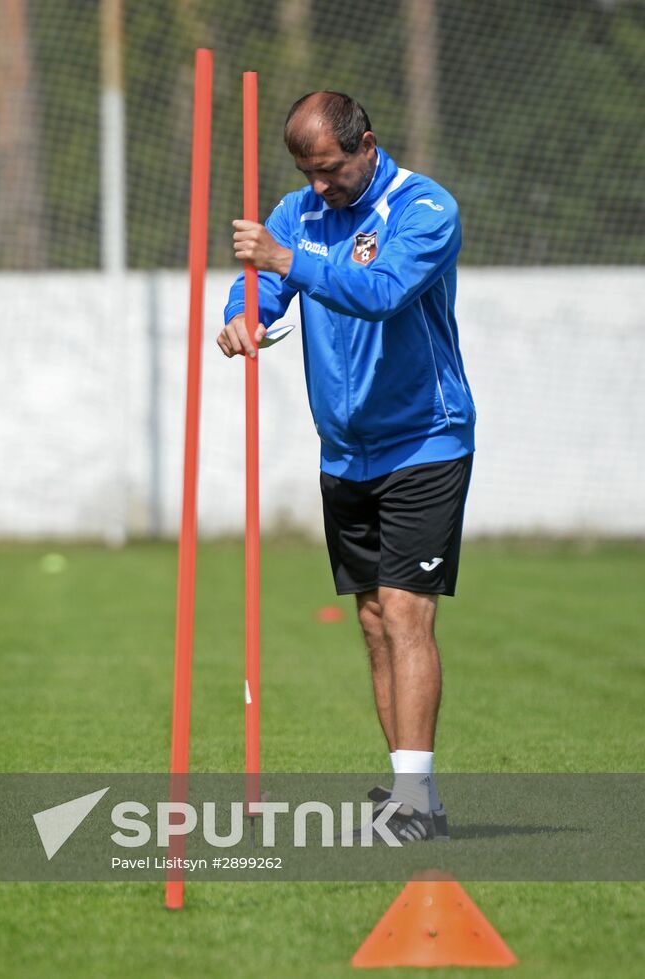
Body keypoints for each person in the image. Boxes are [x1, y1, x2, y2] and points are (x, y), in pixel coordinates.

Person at [216, 91, 475, 842]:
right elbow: (265, 282)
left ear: (368, 143)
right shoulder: (299, 212)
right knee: (370, 621)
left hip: (426, 437)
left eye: (329, 169)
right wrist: (245, 313)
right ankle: (407, 790)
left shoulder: (424, 208)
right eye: (307, 172)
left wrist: (285, 257)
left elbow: (384, 292)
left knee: (405, 612)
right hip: (346, 447)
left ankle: (417, 797)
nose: (319, 185)